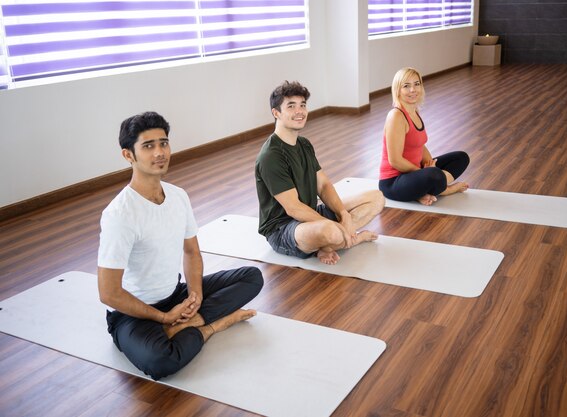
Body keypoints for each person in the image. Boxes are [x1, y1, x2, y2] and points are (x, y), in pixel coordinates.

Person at [97, 111, 263, 381]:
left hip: (176, 294)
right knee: (160, 361)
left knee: (252, 277)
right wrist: (163, 319)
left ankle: (191, 323)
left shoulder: (178, 196)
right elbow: (108, 293)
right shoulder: (119, 215)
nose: (160, 152)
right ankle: (213, 326)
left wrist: (194, 297)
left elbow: (191, 252)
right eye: (148, 146)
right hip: (134, 313)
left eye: (163, 143)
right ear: (128, 155)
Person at [255, 81, 385, 266]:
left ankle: (334, 241)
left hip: (312, 213)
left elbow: (323, 185)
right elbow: (293, 209)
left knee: (376, 197)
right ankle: (348, 239)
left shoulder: (304, 144)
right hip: (283, 228)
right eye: (291, 106)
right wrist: (335, 226)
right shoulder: (270, 156)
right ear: (276, 113)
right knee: (329, 231)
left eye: (302, 105)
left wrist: (344, 215)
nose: (299, 111)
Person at [379, 67, 470, 205]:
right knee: (435, 175)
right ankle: (445, 190)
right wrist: (427, 171)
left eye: (417, 84)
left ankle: (422, 192)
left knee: (461, 157)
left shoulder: (414, 111)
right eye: (406, 86)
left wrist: (430, 165)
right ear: (397, 90)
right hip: (393, 182)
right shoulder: (396, 116)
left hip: (413, 174)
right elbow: (395, 161)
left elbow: (419, 144)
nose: (413, 90)